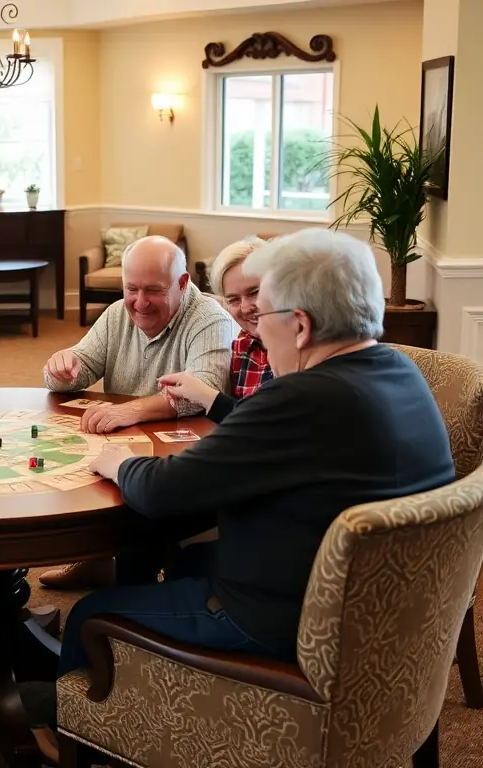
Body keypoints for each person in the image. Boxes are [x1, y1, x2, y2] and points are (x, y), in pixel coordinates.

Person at [25, 227, 457, 763]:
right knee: (180, 558)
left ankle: (72, 732)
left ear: (300, 325)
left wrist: (118, 461)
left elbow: (163, 492)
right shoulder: (399, 371)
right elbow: (272, 439)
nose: (251, 331)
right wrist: (219, 405)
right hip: (378, 619)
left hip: (280, 621)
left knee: (91, 614)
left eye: (263, 316)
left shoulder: (299, 397)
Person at [38, 235, 236, 590]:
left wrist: (132, 411)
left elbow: (203, 391)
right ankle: (97, 559)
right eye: (132, 289)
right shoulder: (117, 314)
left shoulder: (210, 319)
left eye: (153, 291)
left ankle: (130, 589)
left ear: (183, 283)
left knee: (140, 498)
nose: (140, 303)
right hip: (126, 439)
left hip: (185, 449)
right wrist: (60, 369)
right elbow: (79, 367)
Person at [157, 237, 274, 423]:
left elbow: (274, 425)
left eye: (254, 292)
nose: (245, 308)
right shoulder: (243, 343)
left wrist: (206, 395)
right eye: (233, 299)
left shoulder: (304, 348)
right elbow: (241, 420)